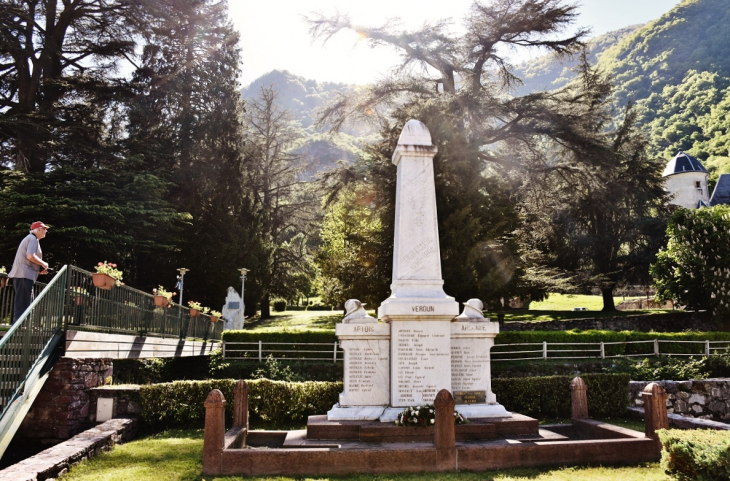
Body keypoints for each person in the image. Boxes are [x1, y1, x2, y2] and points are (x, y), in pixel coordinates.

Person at [8, 221, 50, 323]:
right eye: (44, 229)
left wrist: (38, 271)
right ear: (38, 229)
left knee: (23, 301)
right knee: (24, 302)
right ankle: (21, 327)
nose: (45, 231)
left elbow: (25, 260)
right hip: (24, 275)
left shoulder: (29, 238)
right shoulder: (33, 239)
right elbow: (30, 256)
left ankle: (20, 325)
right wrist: (44, 264)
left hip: (22, 274)